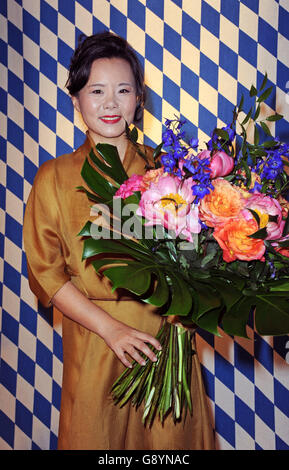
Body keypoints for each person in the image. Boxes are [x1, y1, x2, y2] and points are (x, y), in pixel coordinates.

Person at [23, 31, 215, 450]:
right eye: (97, 90)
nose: (111, 103)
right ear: (75, 99)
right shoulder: (52, 177)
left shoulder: (170, 169)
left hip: (167, 341)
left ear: (139, 99)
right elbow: (46, 275)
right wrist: (111, 330)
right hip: (94, 341)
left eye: (123, 90)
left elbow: (202, 258)